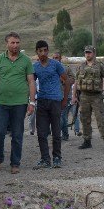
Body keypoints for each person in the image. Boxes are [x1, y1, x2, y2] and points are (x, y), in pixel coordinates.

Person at [0, 32, 36, 174]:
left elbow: (31, 81)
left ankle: (15, 163)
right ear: (7, 43)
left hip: (20, 103)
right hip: (2, 103)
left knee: (17, 134)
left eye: (17, 42)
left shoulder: (26, 60)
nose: (15, 45)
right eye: (12, 42)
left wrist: (32, 102)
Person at [32, 41, 69, 169]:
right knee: (41, 133)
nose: (43, 53)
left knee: (56, 131)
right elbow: (31, 82)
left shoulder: (56, 65)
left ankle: (57, 157)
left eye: (45, 50)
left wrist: (64, 99)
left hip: (55, 101)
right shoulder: (35, 67)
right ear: (37, 52)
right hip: (41, 101)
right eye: (40, 51)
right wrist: (32, 98)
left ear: (48, 51)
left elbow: (67, 81)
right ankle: (45, 159)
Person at [72, 45, 104, 150]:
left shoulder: (100, 65)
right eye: (86, 52)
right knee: (84, 119)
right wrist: (73, 96)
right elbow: (76, 82)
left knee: (101, 118)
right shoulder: (80, 66)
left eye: (89, 52)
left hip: (96, 96)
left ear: (94, 53)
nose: (87, 54)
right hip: (84, 96)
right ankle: (87, 141)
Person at [55, 52, 76, 141]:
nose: (55, 59)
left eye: (57, 57)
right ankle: (64, 134)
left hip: (65, 95)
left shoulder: (66, 69)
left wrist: (64, 81)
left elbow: (73, 79)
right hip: (54, 96)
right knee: (58, 116)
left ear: (60, 58)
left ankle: (61, 134)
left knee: (62, 116)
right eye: (54, 58)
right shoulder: (50, 68)